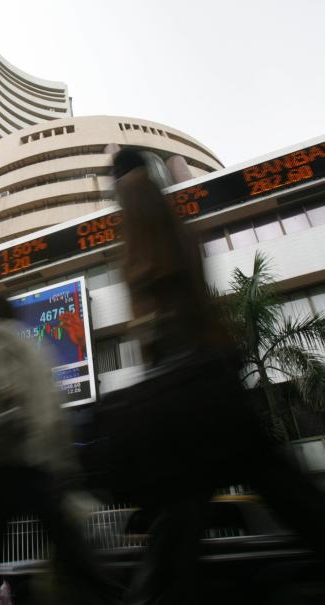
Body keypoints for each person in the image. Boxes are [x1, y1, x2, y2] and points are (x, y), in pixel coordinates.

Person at [105, 149, 325, 605]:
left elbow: (152, 293)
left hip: (186, 386)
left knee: (181, 524)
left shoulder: (137, 214)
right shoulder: (170, 214)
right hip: (209, 374)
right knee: (281, 491)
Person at [0, 295, 118, 605]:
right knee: (66, 541)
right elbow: (54, 411)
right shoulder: (36, 347)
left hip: (7, 453)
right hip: (40, 458)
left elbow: (8, 388)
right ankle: (106, 595)